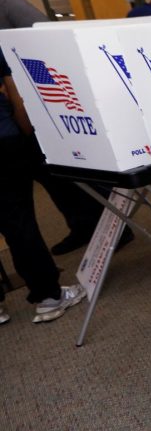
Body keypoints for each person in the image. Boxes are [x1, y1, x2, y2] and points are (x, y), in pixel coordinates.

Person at [0, 0, 108, 256]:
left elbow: (48, 41)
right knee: (50, 174)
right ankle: (84, 225)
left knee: (69, 168)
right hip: (16, 105)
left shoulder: (8, 3)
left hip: (38, 95)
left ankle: (108, 226)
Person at [0, 50, 86, 324]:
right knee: (19, 223)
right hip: (3, 142)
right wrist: (28, 134)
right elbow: (14, 94)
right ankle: (49, 297)